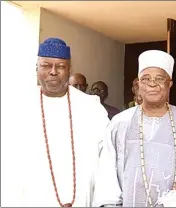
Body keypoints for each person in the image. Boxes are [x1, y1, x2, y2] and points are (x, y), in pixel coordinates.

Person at [93, 50, 176, 207]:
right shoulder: (120, 123)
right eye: (145, 79)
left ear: (169, 83)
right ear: (139, 84)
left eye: (159, 78)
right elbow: (107, 173)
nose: (152, 84)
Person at [1, 38, 109, 207]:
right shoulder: (16, 108)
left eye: (60, 66)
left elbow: (107, 159)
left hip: (80, 200)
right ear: (36, 68)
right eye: (46, 65)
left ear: (69, 70)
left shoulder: (91, 108)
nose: (53, 71)